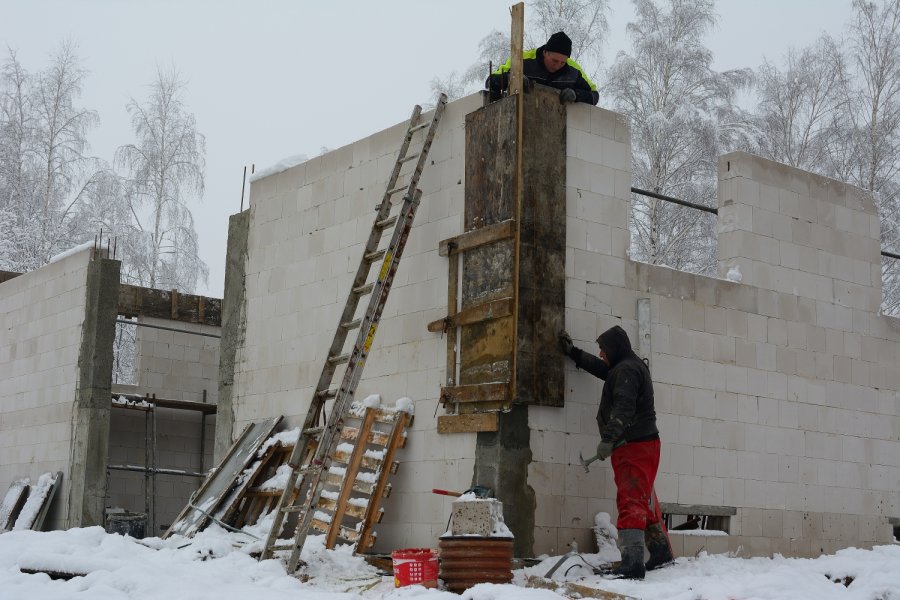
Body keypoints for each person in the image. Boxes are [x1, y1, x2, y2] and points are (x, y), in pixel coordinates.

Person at [559, 325, 674, 579]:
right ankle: (661, 553)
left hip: (634, 447)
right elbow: (605, 372)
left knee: (631, 500)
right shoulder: (624, 367)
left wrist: (608, 439)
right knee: (643, 499)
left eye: (603, 349)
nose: (600, 354)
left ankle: (632, 563)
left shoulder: (627, 370)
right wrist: (574, 354)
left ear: (615, 349)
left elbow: (623, 408)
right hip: (643, 445)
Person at [487, 31, 599, 105]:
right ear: (545, 52)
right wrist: (512, 78)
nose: (557, 66)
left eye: (562, 62)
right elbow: (490, 82)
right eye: (554, 61)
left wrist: (576, 94)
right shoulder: (522, 60)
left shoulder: (574, 71)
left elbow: (594, 96)